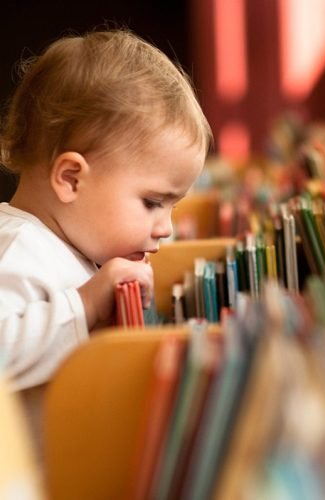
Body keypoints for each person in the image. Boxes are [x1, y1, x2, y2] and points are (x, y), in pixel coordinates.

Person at [0, 29, 212, 391]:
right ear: (71, 180)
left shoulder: (76, 246)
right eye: (152, 203)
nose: (166, 229)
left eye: (172, 207)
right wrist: (86, 304)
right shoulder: (18, 250)